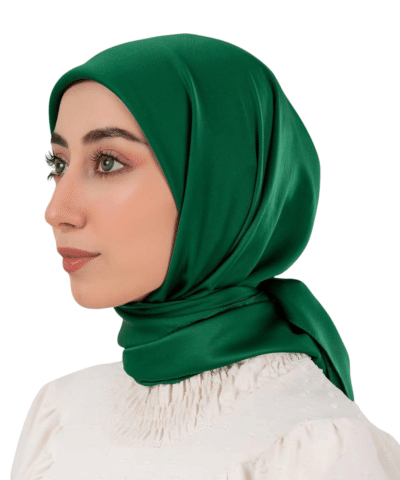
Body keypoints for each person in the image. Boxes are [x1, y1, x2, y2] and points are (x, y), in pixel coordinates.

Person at [11, 33, 400, 479]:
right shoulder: (59, 414)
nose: (57, 211)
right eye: (58, 165)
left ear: (220, 183)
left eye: (108, 162)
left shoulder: (312, 446)